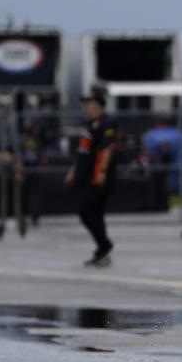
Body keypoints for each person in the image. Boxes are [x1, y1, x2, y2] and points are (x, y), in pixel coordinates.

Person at [65, 88, 117, 267]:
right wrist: (73, 170)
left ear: (97, 107)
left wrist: (102, 171)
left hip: (97, 177)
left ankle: (104, 244)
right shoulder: (90, 125)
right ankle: (102, 250)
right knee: (95, 213)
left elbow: (107, 148)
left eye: (87, 105)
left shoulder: (107, 124)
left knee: (85, 211)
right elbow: (83, 152)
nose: (85, 109)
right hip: (84, 176)